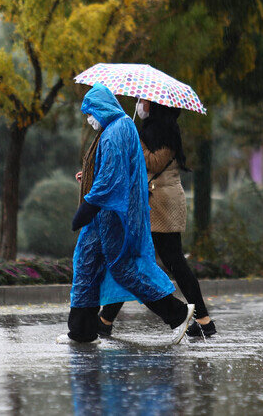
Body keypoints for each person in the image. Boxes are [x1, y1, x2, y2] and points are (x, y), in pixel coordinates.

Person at [66, 83, 194, 345]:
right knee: (86, 264)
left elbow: (110, 180)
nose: (89, 118)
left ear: (100, 108)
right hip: (105, 215)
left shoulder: (115, 132)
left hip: (114, 215)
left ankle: (178, 313)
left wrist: (87, 207)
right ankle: (82, 330)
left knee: (124, 269)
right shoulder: (117, 127)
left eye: (90, 112)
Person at [97, 100, 216, 338]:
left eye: (143, 101)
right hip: (156, 201)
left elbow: (152, 162)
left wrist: (134, 137)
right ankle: (203, 320)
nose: (140, 104)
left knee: (141, 260)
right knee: (145, 260)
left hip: (161, 203)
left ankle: (106, 319)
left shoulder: (165, 130)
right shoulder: (154, 128)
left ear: (156, 105)